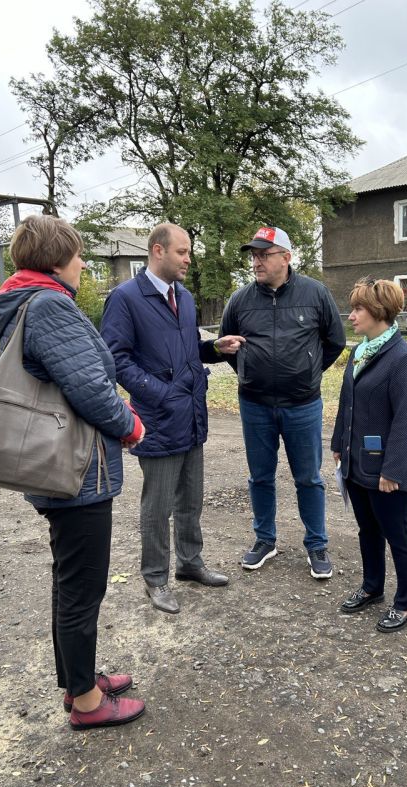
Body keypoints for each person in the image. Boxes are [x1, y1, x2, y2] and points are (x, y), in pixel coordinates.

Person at [0, 215, 146, 730]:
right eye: (78, 257)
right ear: (56, 261)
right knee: (82, 586)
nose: (83, 267)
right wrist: (130, 426)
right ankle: (87, 703)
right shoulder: (50, 305)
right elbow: (91, 389)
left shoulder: (24, 301)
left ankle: (80, 681)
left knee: (69, 581)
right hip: (77, 473)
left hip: (59, 469)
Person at [101, 222, 244, 614]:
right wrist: (161, 394)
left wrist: (215, 348)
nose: (188, 259)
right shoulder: (126, 298)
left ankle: (190, 563)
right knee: (157, 505)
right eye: (182, 251)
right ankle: (155, 577)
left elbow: (187, 351)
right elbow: (116, 359)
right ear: (157, 251)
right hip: (159, 420)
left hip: (192, 416)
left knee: (190, 500)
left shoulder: (185, 296)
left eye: (189, 251)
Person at [219, 225, 346, 579]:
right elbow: (227, 344)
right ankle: (265, 539)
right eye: (254, 256)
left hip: (302, 405)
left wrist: (306, 372)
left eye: (264, 255)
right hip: (255, 404)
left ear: (286, 258)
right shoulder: (240, 299)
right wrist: (249, 370)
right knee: (260, 477)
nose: (256, 262)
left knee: (308, 478)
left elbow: (335, 341)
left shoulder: (315, 293)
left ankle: (316, 543)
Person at [331, 277, 407, 632]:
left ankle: (406, 603)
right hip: (357, 464)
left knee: (398, 535)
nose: (351, 316)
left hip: (388, 472)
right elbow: (347, 404)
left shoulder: (404, 359)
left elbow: (406, 421)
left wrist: (393, 470)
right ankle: (372, 587)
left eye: (358, 309)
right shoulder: (359, 351)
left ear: (379, 312)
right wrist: (339, 444)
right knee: (367, 530)